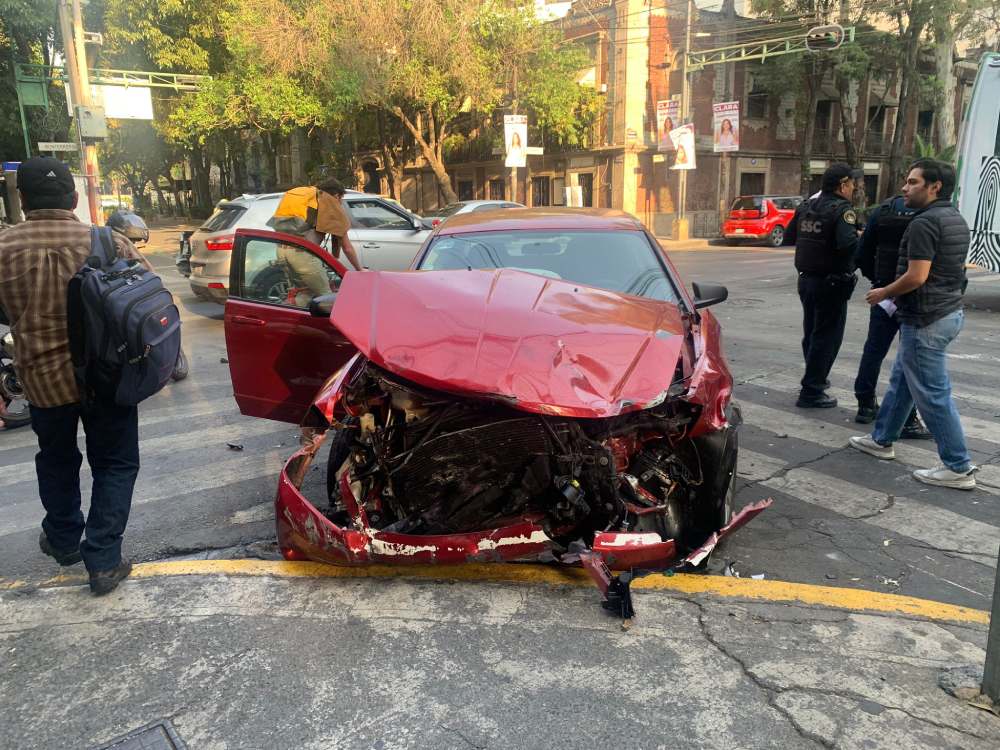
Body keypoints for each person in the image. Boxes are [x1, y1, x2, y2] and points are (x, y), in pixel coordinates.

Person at [0, 158, 144, 594]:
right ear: (75, 199)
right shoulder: (107, 240)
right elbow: (147, 298)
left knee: (57, 459)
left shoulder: (3, 247)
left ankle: (64, 540)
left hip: (42, 381)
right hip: (106, 379)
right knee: (115, 463)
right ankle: (102, 560)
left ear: (21, 199)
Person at [850, 159, 976, 489]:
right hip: (946, 311)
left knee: (933, 393)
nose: (905, 188)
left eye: (913, 182)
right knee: (903, 380)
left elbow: (916, 276)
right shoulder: (954, 218)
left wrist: (884, 293)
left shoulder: (925, 223)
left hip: (926, 318)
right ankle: (881, 439)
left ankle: (957, 465)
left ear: (934, 187)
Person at [852, 194, 930, 438]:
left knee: (874, 350)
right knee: (910, 357)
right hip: (914, 294)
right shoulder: (927, 214)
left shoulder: (883, 210)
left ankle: (865, 404)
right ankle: (907, 418)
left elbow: (862, 252)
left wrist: (877, 279)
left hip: (883, 291)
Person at [785, 163, 859, 408]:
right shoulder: (842, 210)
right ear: (843, 184)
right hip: (832, 283)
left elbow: (789, 236)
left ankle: (814, 379)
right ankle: (812, 390)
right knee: (827, 338)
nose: (853, 188)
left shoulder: (806, 206)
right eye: (852, 184)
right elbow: (847, 244)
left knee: (813, 334)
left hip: (807, 280)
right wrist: (861, 238)